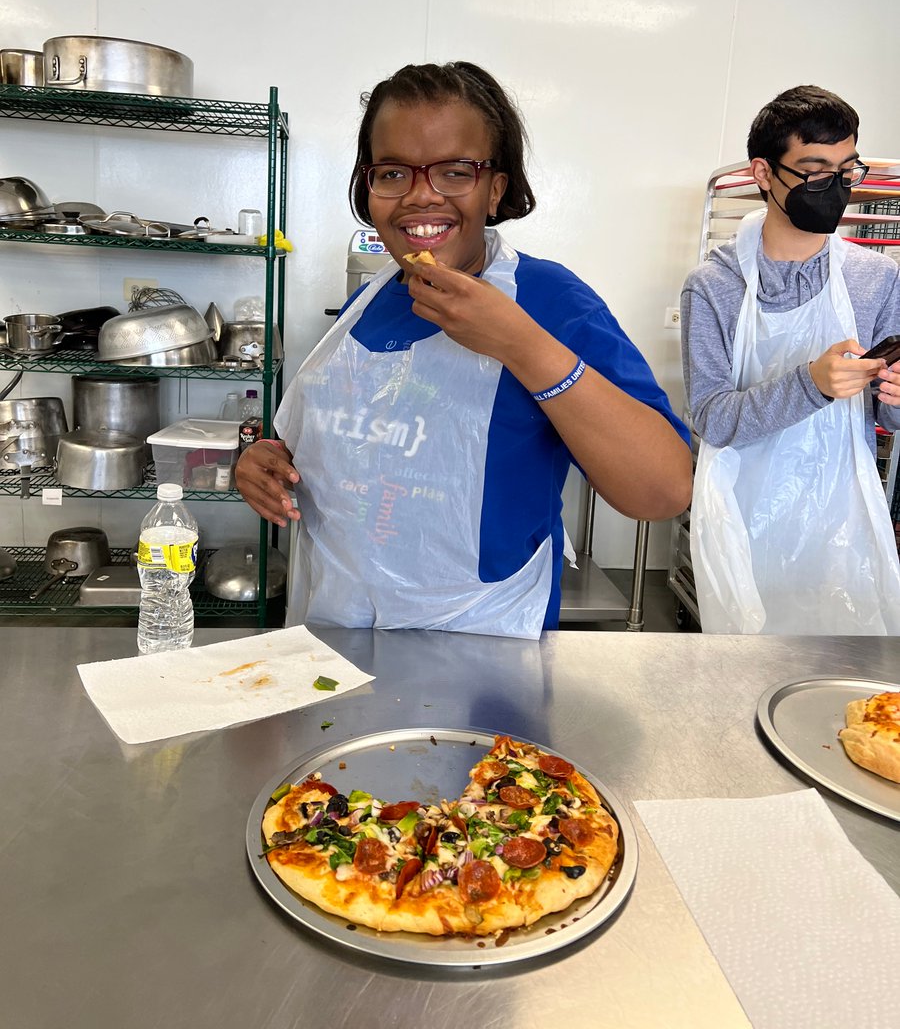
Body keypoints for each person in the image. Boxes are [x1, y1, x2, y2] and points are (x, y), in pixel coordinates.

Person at [237, 61, 692, 637]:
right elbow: (360, 442)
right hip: (334, 635)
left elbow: (663, 490)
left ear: (495, 189)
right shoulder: (367, 302)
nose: (420, 196)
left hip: (483, 647)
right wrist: (268, 463)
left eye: (455, 172)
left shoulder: (549, 301)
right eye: (393, 172)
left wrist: (521, 344)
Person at [681, 84, 900, 635]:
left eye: (847, 170)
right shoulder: (714, 287)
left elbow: (887, 413)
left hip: (841, 521)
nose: (836, 188)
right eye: (815, 172)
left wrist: (896, 399)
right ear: (763, 173)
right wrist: (812, 383)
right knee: (744, 665)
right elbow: (712, 419)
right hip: (741, 517)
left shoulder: (876, 279)